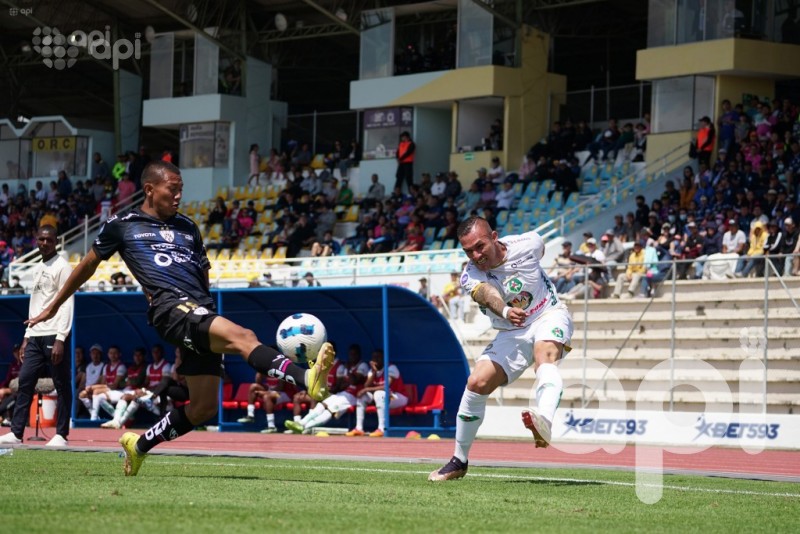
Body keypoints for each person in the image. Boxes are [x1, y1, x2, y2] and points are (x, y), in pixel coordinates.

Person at [24, 161, 336, 476]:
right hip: (168, 308)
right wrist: (53, 305)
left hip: (198, 312)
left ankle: (139, 445)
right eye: (172, 190)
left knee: (203, 408)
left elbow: (203, 276)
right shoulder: (123, 223)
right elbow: (88, 265)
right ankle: (307, 379)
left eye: (180, 190)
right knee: (244, 337)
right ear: (149, 189)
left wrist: (205, 324)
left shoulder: (189, 226)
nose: (178, 196)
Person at [429, 217, 573, 481]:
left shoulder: (530, 242)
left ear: (494, 236)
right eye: (468, 251)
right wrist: (505, 310)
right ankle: (459, 461)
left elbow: (539, 256)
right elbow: (486, 294)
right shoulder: (470, 274)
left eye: (480, 246)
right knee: (476, 382)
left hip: (548, 314)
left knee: (545, 358)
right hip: (511, 330)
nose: (476, 255)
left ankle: (545, 422)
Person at [0, 226, 74, 448]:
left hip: (54, 333)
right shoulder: (38, 266)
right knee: (25, 382)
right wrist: (26, 335)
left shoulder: (62, 267)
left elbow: (67, 302)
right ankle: (16, 432)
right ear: (36, 240)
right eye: (41, 239)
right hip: (35, 335)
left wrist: (61, 337)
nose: (44, 243)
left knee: (61, 385)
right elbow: (36, 306)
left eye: (48, 240)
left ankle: (61, 434)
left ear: (56, 241)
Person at [345, 349, 408, 438]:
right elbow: (366, 385)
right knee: (362, 396)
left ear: (384, 358)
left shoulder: (391, 368)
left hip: (398, 397)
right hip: (383, 398)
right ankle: (359, 428)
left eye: (378, 357)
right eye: (374, 358)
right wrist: (374, 372)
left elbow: (386, 387)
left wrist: (366, 390)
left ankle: (381, 428)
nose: (376, 360)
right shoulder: (372, 371)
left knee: (379, 394)